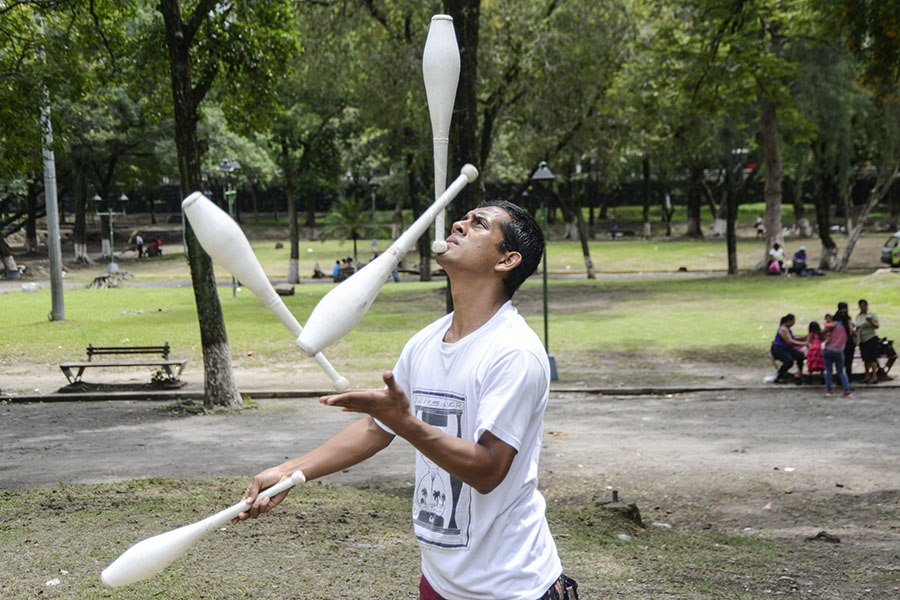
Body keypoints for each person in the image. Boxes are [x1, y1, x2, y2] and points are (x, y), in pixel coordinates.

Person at [234, 200, 578, 600]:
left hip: (512, 587)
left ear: (508, 260)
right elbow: (375, 429)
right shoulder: (425, 342)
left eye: (478, 224)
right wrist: (290, 471)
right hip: (439, 582)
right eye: (463, 218)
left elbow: (488, 470)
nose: (459, 224)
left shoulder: (514, 353)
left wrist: (405, 423)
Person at [823, 307, 853, 396]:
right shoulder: (849, 328)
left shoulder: (835, 324)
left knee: (828, 371)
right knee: (841, 371)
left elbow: (824, 329)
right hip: (839, 351)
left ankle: (829, 390)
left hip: (829, 349)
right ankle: (847, 389)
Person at [770, 314, 806, 382]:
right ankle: (779, 375)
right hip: (778, 349)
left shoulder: (787, 328)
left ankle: (799, 372)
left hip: (786, 349)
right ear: (789, 321)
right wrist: (804, 343)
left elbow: (793, 337)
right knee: (789, 361)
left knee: (800, 355)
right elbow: (789, 341)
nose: (794, 323)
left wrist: (803, 338)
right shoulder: (783, 329)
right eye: (793, 321)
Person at [855, 299, 881, 384]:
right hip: (862, 339)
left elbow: (877, 326)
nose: (862, 307)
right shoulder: (858, 316)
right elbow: (857, 328)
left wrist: (870, 322)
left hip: (870, 338)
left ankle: (874, 376)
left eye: (864, 305)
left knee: (872, 358)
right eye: (861, 306)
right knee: (865, 359)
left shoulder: (871, 315)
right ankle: (867, 375)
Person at [837, 301, 855, 381]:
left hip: (839, 343)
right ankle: (848, 378)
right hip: (848, 342)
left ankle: (840, 378)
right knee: (848, 362)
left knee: (840, 362)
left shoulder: (836, 319)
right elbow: (851, 331)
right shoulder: (848, 319)